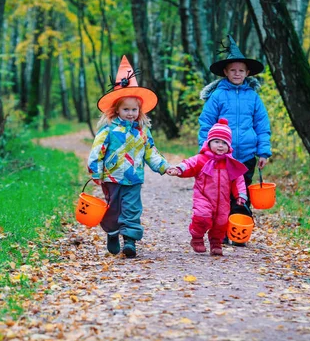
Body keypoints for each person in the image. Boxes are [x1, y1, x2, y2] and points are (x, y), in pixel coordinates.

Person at [87, 55, 171, 258]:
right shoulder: (108, 130)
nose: (131, 113)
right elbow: (97, 151)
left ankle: (130, 241)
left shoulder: (142, 131)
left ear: (140, 110)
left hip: (133, 178)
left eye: (134, 109)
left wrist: (164, 166)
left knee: (132, 209)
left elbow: (151, 151)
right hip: (112, 178)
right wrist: (95, 172)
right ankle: (113, 233)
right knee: (113, 210)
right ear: (117, 110)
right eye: (126, 109)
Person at [198, 35, 271, 243]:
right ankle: (220, 231)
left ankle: (238, 230)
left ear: (247, 73)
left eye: (241, 70)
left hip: (246, 155)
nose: (237, 74)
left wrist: (263, 151)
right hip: (221, 155)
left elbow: (262, 125)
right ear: (225, 72)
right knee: (221, 192)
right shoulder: (218, 96)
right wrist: (206, 150)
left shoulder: (253, 98)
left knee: (242, 192)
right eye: (233, 70)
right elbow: (206, 123)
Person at [166, 119, 248, 256]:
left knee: (221, 222)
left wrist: (240, 195)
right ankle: (197, 237)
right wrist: (179, 169)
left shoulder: (230, 163)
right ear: (209, 142)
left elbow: (238, 180)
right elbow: (189, 164)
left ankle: (216, 243)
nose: (220, 146)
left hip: (223, 200)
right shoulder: (202, 159)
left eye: (224, 143)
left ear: (229, 146)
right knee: (202, 216)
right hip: (203, 196)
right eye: (216, 142)